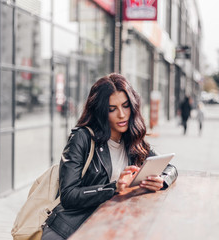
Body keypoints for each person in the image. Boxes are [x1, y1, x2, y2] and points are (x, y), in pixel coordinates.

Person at [42, 73, 178, 240]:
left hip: (109, 225)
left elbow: (169, 167)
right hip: (71, 230)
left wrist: (162, 180)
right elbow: (68, 195)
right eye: (111, 109)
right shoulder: (82, 138)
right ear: (100, 111)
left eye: (125, 106)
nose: (121, 114)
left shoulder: (132, 139)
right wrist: (114, 188)